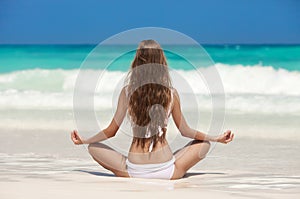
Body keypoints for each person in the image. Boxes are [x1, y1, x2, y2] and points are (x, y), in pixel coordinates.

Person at [71, 39, 234, 180]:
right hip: (168, 171)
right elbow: (185, 131)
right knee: (203, 144)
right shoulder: (170, 93)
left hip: (134, 170)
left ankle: (134, 169)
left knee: (93, 148)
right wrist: (216, 138)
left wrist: (85, 140)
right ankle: (174, 166)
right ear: (161, 62)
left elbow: (111, 131)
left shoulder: (127, 92)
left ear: (137, 62)